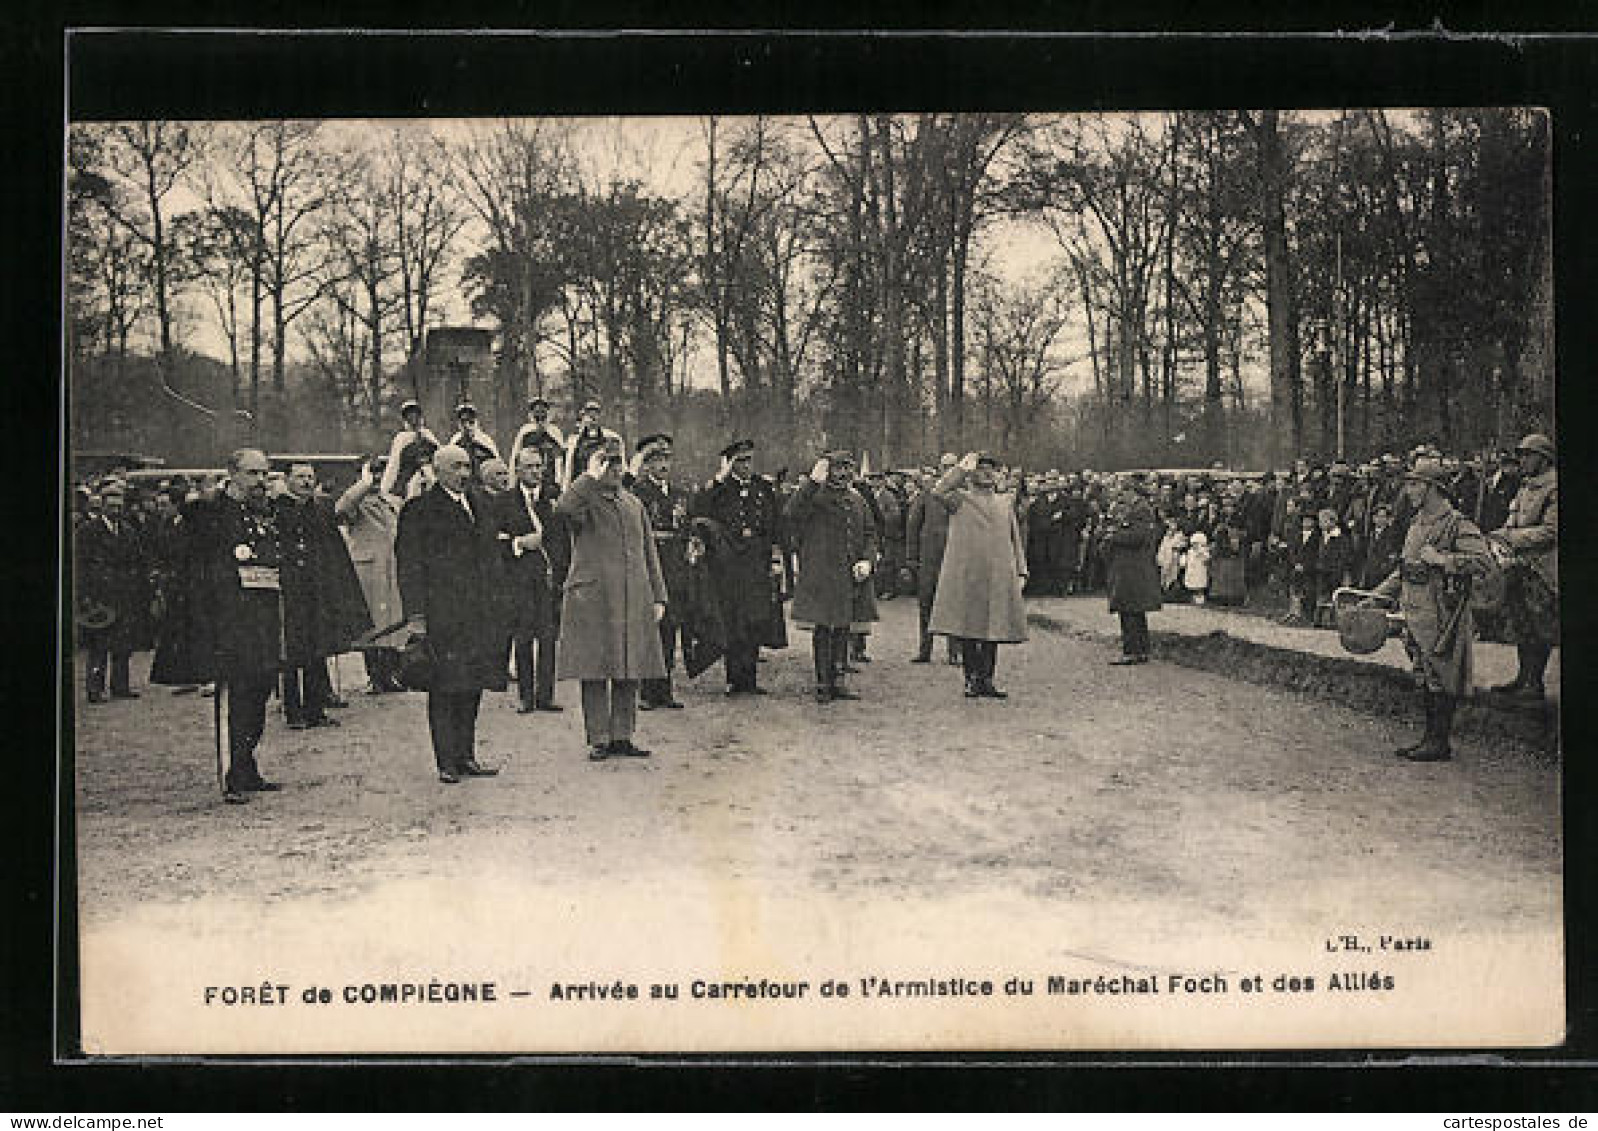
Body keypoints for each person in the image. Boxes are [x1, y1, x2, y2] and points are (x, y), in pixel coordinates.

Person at [157, 449, 287, 803]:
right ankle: (232, 776)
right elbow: (188, 522)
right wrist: (207, 495)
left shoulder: (260, 513)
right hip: (228, 622)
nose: (260, 481)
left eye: (264, 474)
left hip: (259, 618)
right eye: (252, 474)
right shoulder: (211, 511)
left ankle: (247, 767)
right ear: (232, 474)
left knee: (259, 693)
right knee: (236, 695)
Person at [1365, 457, 1496, 762]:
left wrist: (1443, 560)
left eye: (1414, 484)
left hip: (1441, 612)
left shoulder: (1457, 524)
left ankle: (1439, 741)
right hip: (1415, 610)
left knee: (1441, 673)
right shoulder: (1416, 524)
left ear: (1432, 488)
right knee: (1424, 672)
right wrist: (1376, 596)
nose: (1408, 490)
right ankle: (1430, 738)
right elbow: (1404, 570)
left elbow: (1484, 563)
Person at [394, 444, 508, 784]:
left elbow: (491, 556)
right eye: (456, 467)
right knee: (444, 687)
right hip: (443, 613)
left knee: (472, 684)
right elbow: (409, 565)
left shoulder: (480, 503)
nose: (463, 473)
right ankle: (446, 761)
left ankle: (466, 755)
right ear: (438, 470)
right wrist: (416, 615)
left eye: (467, 466)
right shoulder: (420, 509)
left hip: (479, 613)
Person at [555, 442, 669, 761]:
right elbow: (563, 510)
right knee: (595, 669)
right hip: (595, 599)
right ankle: (599, 738)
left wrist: (659, 595)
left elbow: (650, 552)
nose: (615, 470)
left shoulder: (633, 503)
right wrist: (588, 477)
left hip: (632, 597)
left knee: (629, 667)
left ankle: (623, 735)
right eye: (608, 464)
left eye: (619, 464)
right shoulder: (585, 500)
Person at [276, 462, 372, 728]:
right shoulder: (278, 510)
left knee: (318, 649)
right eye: (299, 477)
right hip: (291, 588)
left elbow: (332, 548)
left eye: (309, 477)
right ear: (287, 480)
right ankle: (293, 711)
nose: (306, 482)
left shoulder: (320, 509)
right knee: (293, 653)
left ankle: (316, 709)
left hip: (317, 589)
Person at [928, 452, 1029, 698]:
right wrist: (960, 470)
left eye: (990, 469)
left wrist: (1021, 569)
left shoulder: (1005, 501)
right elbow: (937, 491)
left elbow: (1014, 536)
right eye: (981, 468)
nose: (986, 473)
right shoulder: (960, 499)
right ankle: (971, 678)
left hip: (998, 573)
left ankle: (987, 679)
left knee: (993, 629)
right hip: (969, 574)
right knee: (969, 629)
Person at [691, 439, 782, 695]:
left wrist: (774, 558)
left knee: (754, 621)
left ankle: (750, 678)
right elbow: (700, 513)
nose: (746, 466)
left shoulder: (762, 489)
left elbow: (774, 525)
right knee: (733, 621)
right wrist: (719, 479)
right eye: (740, 461)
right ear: (730, 463)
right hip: (728, 566)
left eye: (749, 460)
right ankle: (734, 678)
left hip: (755, 563)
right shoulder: (718, 490)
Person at [786, 451, 877, 703]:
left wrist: (867, 560)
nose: (845, 473)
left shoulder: (857, 500)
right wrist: (811, 483)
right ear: (828, 470)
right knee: (824, 628)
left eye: (849, 468)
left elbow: (870, 533)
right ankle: (822, 682)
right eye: (839, 468)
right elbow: (791, 513)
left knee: (844, 627)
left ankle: (839, 679)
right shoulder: (814, 497)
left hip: (849, 575)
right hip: (822, 574)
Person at [489, 445, 569, 714]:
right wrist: (520, 543)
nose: (536, 472)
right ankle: (525, 696)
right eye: (530, 467)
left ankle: (545, 695)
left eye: (539, 466)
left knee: (548, 637)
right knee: (523, 637)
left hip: (548, 579)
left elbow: (563, 541)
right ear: (518, 470)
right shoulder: (503, 501)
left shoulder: (554, 500)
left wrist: (560, 572)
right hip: (518, 579)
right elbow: (492, 543)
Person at [1486, 433, 1559, 703]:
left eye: (1527, 455)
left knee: (1539, 623)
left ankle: (1535, 682)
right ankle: (1523, 677)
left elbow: (1551, 531)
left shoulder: (1553, 487)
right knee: (1521, 621)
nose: (1522, 461)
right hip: (1519, 565)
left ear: (1543, 458)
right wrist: (1499, 533)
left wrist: (1512, 538)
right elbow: (1512, 520)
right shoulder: (1525, 487)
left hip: (1542, 568)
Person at [627, 434, 691, 711]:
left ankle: (665, 689)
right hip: (648, 565)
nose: (663, 465)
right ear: (646, 464)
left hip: (674, 567)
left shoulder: (679, 494)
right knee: (648, 627)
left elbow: (686, 528)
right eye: (656, 460)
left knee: (670, 628)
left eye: (667, 459)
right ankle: (646, 691)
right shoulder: (637, 494)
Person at [335, 456, 406, 692]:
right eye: (372, 473)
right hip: (368, 569)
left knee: (393, 623)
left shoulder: (392, 501)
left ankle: (391, 675)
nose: (377, 478)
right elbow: (342, 509)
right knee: (372, 624)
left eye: (380, 472)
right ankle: (374, 676)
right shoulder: (356, 500)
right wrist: (363, 484)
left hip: (391, 567)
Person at [76, 482, 146, 703]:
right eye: (111, 506)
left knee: (123, 643)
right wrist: (85, 595)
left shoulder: (128, 531)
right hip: (100, 595)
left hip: (124, 594)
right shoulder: (88, 532)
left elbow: (136, 562)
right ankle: (95, 689)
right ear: (102, 507)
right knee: (99, 644)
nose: (116, 511)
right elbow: (81, 566)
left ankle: (120, 686)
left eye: (119, 507)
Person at [1103, 483, 1161, 665]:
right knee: (1134, 611)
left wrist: (1113, 535)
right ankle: (1141, 650)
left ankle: (1131, 651)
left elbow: (1137, 537)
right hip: (1130, 568)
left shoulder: (1141, 511)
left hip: (1132, 569)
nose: (1122, 497)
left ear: (1132, 492)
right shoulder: (1138, 510)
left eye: (1124, 493)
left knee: (1129, 609)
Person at [905, 461, 957, 664]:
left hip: (954, 559)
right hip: (929, 560)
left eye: (953, 466)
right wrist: (911, 559)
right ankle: (924, 650)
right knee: (926, 604)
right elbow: (913, 527)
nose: (949, 470)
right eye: (946, 466)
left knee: (954, 604)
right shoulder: (927, 494)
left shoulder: (962, 496)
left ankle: (955, 652)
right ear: (940, 469)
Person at [381, 400, 440, 497]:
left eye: (415, 415)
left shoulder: (429, 436)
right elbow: (393, 465)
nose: (413, 419)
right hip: (408, 480)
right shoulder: (402, 438)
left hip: (429, 478)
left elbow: (439, 457)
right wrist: (386, 488)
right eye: (409, 416)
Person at [508, 395, 567, 492]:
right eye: (537, 411)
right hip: (530, 475)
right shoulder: (525, 431)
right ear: (532, 413)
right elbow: (516, 455)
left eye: (543, 411)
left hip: (550, 477)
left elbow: (560, 457)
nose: (540, 414)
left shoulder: (554, 431)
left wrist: (560, 480)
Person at [561, 399, 624, 488]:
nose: (592, 417)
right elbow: (568, 467)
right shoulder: (574, 441)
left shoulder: (612, 437)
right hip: (580, 484)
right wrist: (566, 487)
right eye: (589, 414)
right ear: (583, 417)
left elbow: (620, 465)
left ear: (600, 416)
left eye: (595, 414)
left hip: (603, 484)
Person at [447, 403, 502, 481]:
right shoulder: (455, 441)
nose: (467, 426)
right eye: (463, 422)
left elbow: (496, 465)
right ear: (458, 424)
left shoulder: (485, 441)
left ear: (476, 422)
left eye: (471, 422)